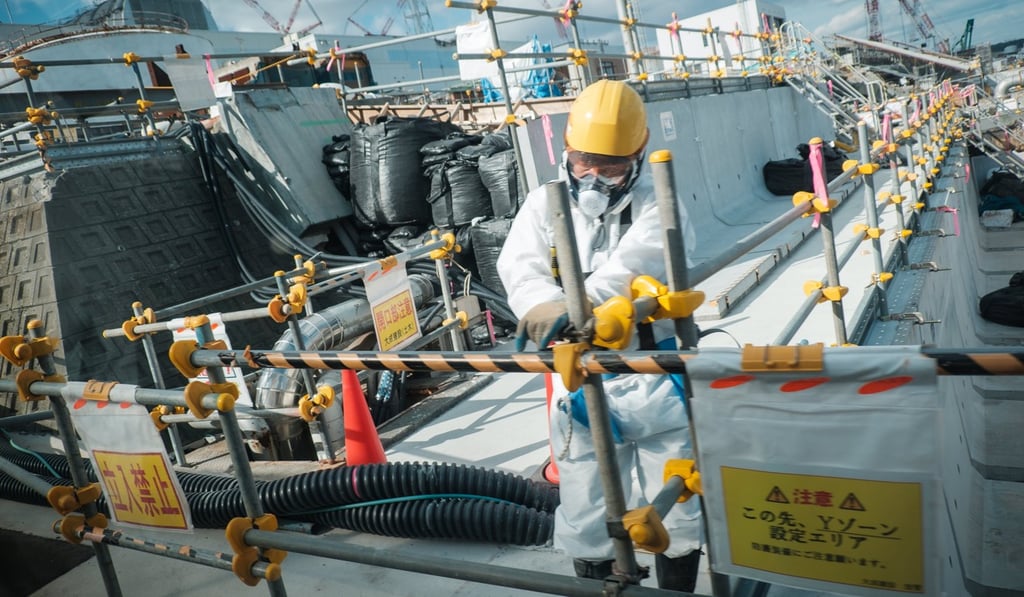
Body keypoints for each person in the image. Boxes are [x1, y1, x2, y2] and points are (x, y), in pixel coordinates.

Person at [496, 79, 703, 591]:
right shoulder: (545, 203)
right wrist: (539, 304)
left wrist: (577, 306)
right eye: (584, 163)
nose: (594, 178)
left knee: (676, 505)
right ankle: (596, 582)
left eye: (611, 168)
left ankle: (675, 585)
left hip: (655, 375)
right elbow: (519, 265)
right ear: (566, 152)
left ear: (637, 156)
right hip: (581, 381)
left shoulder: (660, 203)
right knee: (585, 507)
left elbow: (638, 262)